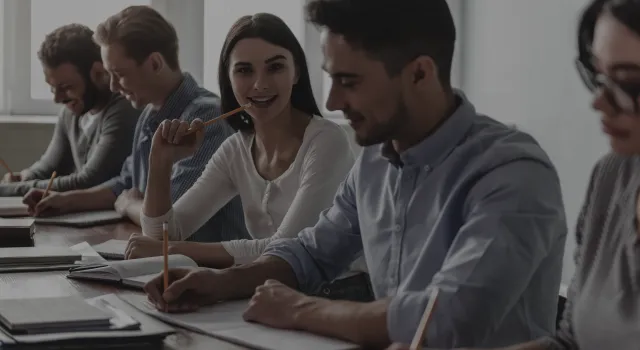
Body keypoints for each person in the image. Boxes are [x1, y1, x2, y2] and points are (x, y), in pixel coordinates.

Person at [144, 0, 567, 348]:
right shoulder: (375, 160)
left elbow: (448, 319)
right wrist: (220, 283)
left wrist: (299, 309)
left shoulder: (511, 172)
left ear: (420, 73)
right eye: (331, 78)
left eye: (349, 81)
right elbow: (308, 253)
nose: (332, 99)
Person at [389, 0, 640, 349]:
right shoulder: (613, 177)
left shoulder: (514, 168)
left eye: (627, 83)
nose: (598, 101)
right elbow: (571, 342)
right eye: (597, 76)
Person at [125, 12, 369, 301]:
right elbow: (160, 236)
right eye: (244, 71)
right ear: (228, 80)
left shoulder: (327, 140)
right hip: (269, 287)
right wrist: (160, 162)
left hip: (343, 291)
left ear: (297, 73)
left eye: (275, 67)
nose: (259, 84)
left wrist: (172, 251)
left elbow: (285, 250)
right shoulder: (235, 149)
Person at [23, 6, 248, 242]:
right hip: (161, 257)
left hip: (207, 267)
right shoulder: (148, 113)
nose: (112, 87)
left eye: (119, 74)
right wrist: (65, 200)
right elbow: (125, 182)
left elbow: (166, 221)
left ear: (155, 63)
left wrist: (129, 203)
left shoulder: (206, 117)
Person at [0, 24, 139, 197]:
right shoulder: (71, 113)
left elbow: (88, 181)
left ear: (97, 72)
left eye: (66, 87)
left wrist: (7, 190)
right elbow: (49, 168)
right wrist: (24, 177)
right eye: (52, 88)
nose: (57, 99)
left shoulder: (123, 110)